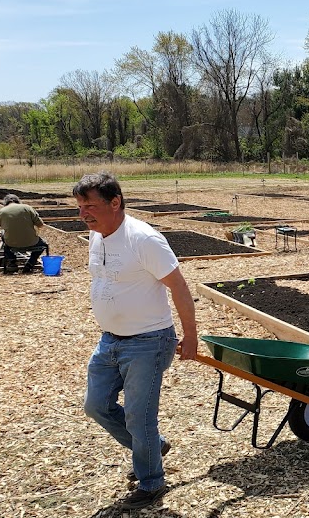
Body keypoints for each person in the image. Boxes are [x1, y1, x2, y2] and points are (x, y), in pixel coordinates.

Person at [74, 172, 197, 510]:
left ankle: (151, 482)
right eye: (80, 207)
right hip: (110, 340)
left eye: (90, 206)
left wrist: (190, 337)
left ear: (116, 203)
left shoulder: (143, 239)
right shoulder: (97, 236)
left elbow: (180, 289)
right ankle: (153, 447)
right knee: (96, 405)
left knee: (139, 417)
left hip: (149, 341)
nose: (84, 213)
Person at [0, 194, 47, 274]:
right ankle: (31, 263)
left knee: (4, 237)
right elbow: (40, 224)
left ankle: (12, 262)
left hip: (12, 243)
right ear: (18, 201)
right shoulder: (27, 208)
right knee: (43, 245)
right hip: (32, 242)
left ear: (5, 203)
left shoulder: (1, 212)